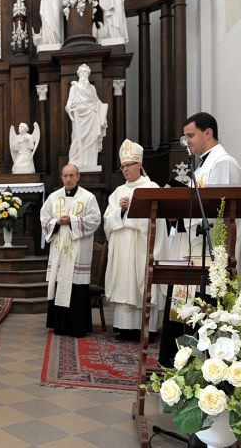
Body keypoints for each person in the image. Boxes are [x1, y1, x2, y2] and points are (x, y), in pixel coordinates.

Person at [159, 112, 241, 366]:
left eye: (190, 135)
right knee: (183, 308)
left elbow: (221, 214)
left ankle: (202, 368)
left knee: (204, 312)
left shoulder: (223, 163)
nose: (187, 142)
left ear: (207, 133)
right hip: (192, 253)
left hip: (211, 254)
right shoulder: (204, 165)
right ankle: (177, 365)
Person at [104, 140, 163, 340]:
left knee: (141, 280)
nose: (125, 169)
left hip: (141, 246)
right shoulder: (118, 191)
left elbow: (156, 222)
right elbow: (107, 221)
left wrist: (131, 210)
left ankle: (146, 328)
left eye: (129, 164)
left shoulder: (152, 187)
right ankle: (124, 326)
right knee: (124, 280)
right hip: (122, 247)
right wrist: (120, 211)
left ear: (139, 165)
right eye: (123, 166)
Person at [41, 164, 101, 338]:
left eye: (71, 175)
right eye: (65, 176)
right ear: (61, 177)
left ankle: (77, 327)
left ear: (78, 177)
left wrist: (73, 221)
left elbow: (95, 220)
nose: (68, 179)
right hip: (59, 250)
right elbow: (44, 218)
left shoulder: (88, 198)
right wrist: (56, 222)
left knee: (77, 288)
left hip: (79, 250)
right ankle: (59, 325)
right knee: (60, 282)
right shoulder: (53, 197)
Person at [66, 64, 108, 171]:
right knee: (77, 139)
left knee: (91, 139)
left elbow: (97, 102)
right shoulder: (74, 88)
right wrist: (71, 108)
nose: (84, 74)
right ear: (79, 74)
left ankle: (90, 163)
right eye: (82, 72)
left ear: (88, 74)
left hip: (92, 116)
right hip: (79, 117)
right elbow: (68, 104)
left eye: (86, 72)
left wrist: (102, 109)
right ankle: (75, 161)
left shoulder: (92, 88)